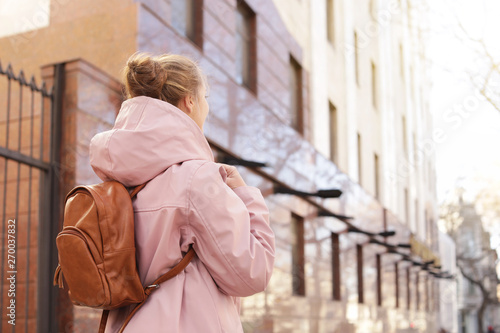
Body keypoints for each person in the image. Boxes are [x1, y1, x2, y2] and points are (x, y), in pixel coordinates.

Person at [89, 53, 276, 332]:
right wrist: (246, 196)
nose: (206, 108)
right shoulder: (196, 179)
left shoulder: (115, 177)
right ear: (189, 101)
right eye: (205, 98)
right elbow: (252, 273)